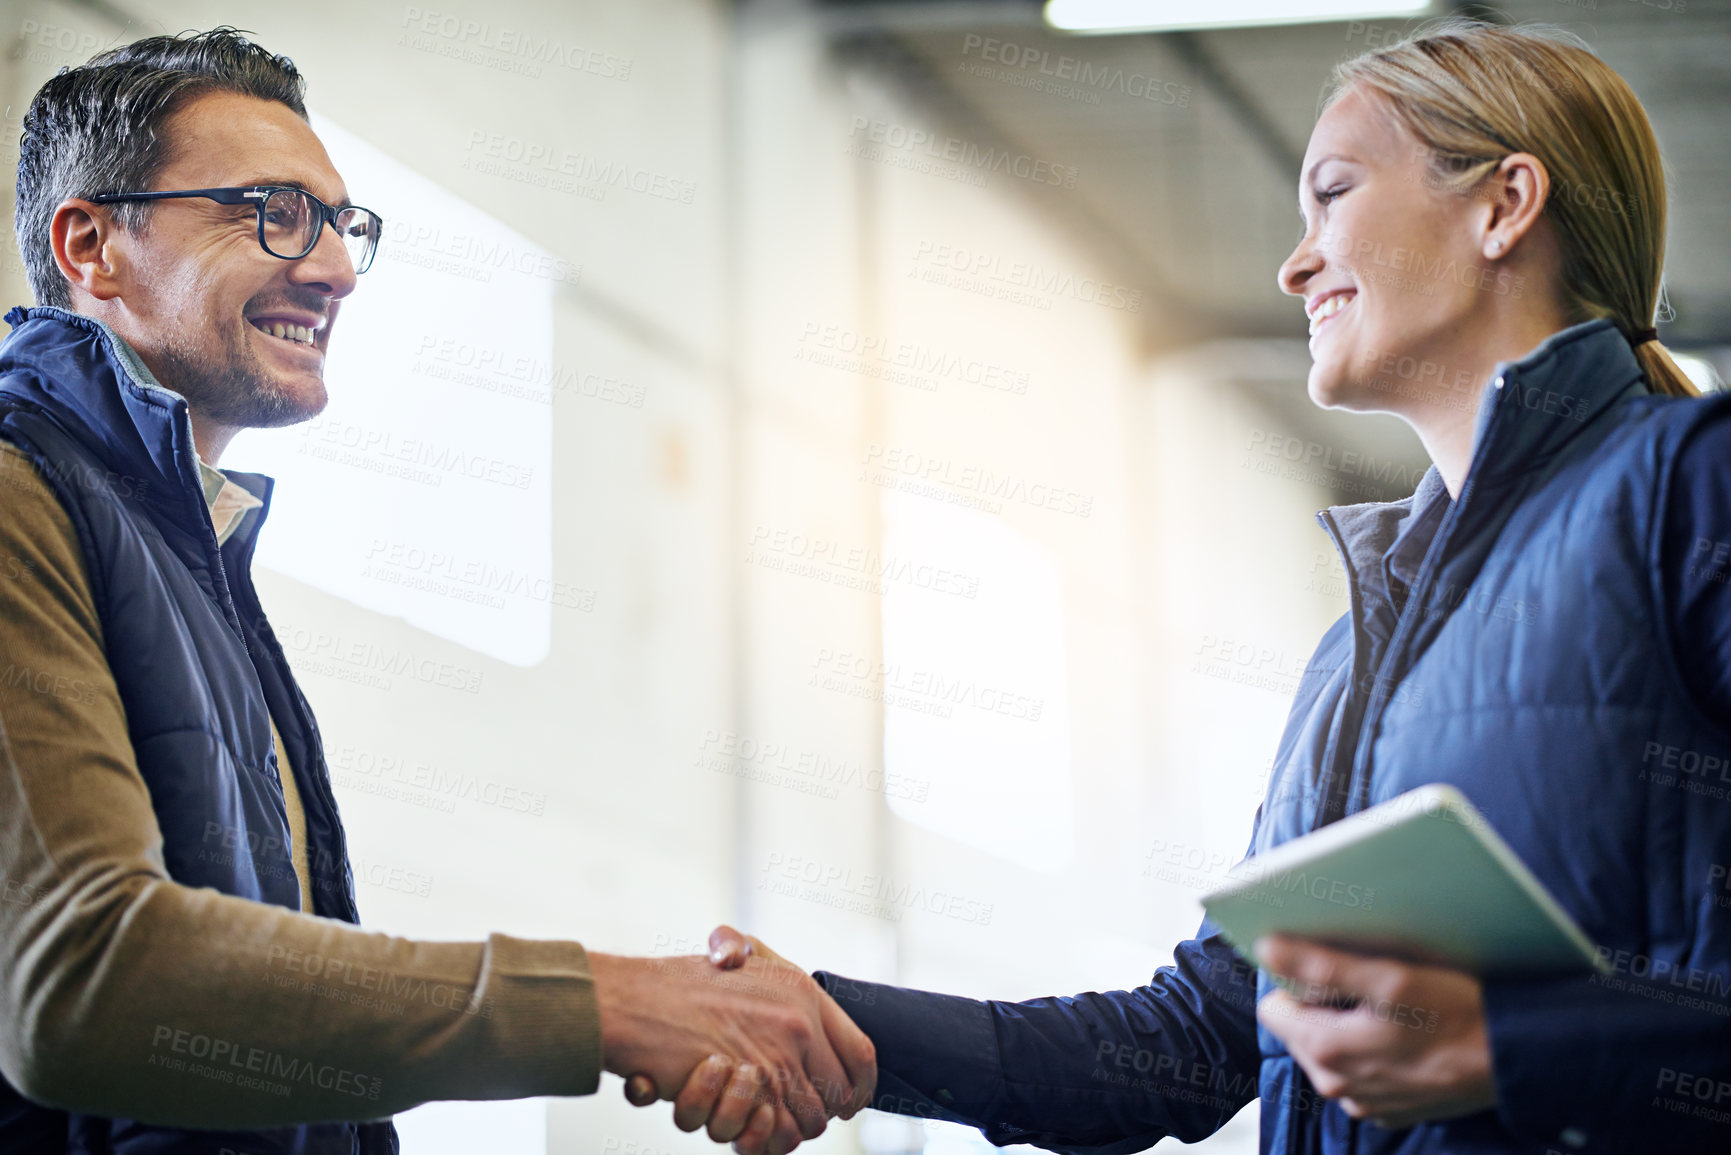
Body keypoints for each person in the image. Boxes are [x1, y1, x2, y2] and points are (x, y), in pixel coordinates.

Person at [636, 20, 1731, 1155]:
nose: (1294, 264)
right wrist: (822, 1025)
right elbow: (1196, 1041)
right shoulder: (1356, 650)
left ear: (1504, 206)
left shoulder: (1689, 489)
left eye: (1334, 194)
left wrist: (1518, 1046)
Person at [0, 29, 873, 1155]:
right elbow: (85, 982)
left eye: (344, 226)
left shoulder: (187, 555)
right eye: (272, 211)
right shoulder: (21, 499)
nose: (334, 269)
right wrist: (608, 1005)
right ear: (94, 247)